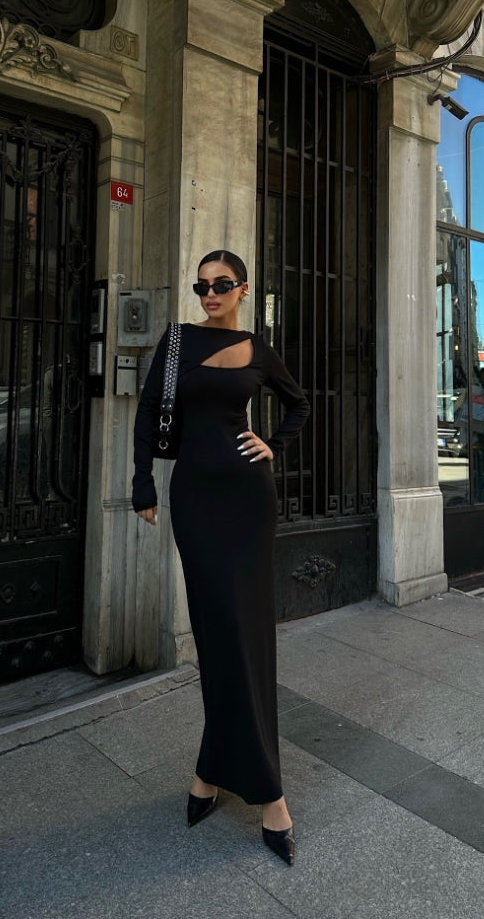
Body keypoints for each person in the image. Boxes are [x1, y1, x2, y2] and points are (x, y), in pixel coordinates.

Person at [132, 249, 310, 866]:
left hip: (249, 501)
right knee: (217, 636)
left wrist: (273, 443)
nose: (210, 293)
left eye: (221, 284)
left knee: (247, 636)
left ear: (243, 289)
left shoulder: (259, 350)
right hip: (196, 500)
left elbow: (299, 402)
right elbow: (148, 411)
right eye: (201, 285)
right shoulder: (177, 342)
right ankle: (223, 772)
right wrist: (142, 483)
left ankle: (251, 788)